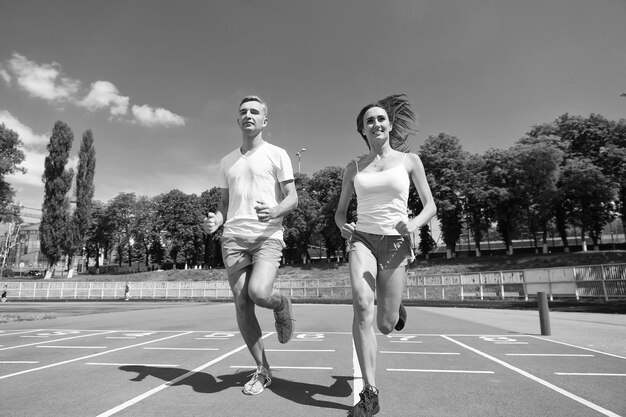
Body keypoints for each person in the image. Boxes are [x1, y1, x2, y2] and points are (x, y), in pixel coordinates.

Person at [335, 94, 437, 417]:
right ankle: (370, 393)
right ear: (362, 130)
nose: (376, 124)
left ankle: (395, 307)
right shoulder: (353, 168)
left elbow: (430, 205)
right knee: (362, 305)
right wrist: (344, 227)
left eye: (381, 119)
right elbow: (339, 213)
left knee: (386, 325)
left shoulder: (410, 161)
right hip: (362, 240)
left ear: (390, 125)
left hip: (395, 242)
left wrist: (414, 223)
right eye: (369, 121)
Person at [204, 95, 298, 396]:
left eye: (255, 112)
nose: (248, 115)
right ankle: (263, 369)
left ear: (264, 120)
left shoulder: (277, 154)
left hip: (267, 235)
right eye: (243, 111)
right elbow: (224, 204)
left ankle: (280, 303)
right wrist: (216, 220)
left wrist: (276, 211)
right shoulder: (227, 161)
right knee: (241, 302)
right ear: (237, 120)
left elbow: (292, 198)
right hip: (233, 237)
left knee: (258, 293)